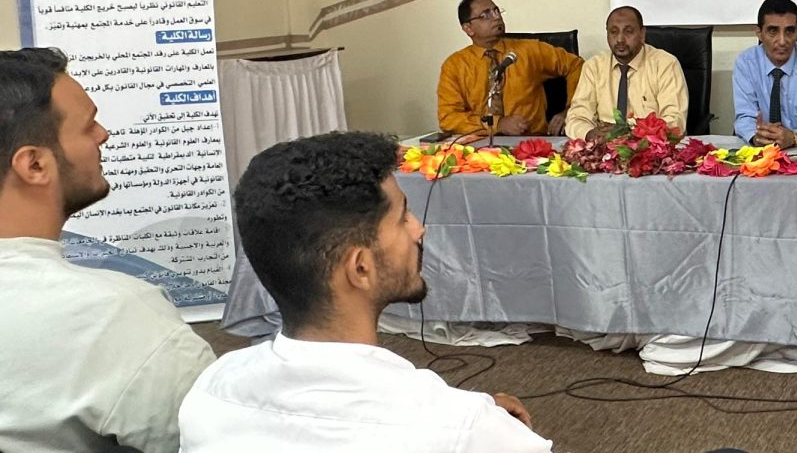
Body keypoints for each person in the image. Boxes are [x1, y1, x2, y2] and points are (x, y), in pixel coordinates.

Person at [178, 131, 552, 452]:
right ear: (361, 268)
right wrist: (483, 425)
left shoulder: (211, 391)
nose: (418, 229)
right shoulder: (467, 431)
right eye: (403, 217)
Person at [0, 48, 214, 453]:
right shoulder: (116, 315)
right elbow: (216, 440)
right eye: (87, 126)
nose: (103, 135)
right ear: (34, 165)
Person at [437, 0, 583, 136]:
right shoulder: (455, 65)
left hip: (532, 139)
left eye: (496, 11)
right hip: (481, 144)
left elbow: (577, 65)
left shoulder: (529, 50)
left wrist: (571, 110)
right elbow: (448, 118)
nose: (497, 17)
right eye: (486, 15)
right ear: (468, 28)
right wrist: (497, 124)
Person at [565, 6, 688, 140]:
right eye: (613, 32)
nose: (620, 39)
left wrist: (631, 134)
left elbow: (675, 121)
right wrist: (590, 134)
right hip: (603, 145)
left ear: (642, 34)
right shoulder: (594, 66)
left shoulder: (665, 64)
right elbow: (576, 117)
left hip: (648, 146)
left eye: (628, 32)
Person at [732, 0, 797, 146]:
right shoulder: (746, 63)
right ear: (759, 33)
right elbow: (744, 117)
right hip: (762, 149)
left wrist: (794, 137)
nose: (782, 41)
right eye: (773, 31)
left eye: (789, 31)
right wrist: (756, 137)